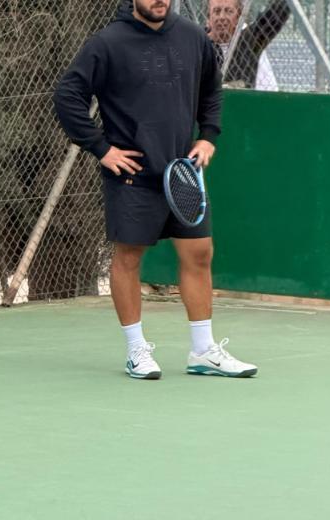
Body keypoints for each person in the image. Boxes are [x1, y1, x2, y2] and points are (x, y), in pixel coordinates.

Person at [54, 0, 258, 379]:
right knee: (128, 259)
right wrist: (102, 149)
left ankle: (203, 352)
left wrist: (208, 137)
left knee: (199, 254)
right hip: (132, 175)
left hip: (183, 174)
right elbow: (68, 96)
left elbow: (211, 91)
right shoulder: (108, 43)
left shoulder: (193, 37)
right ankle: (136, 352)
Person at [207, 0, 291, 91]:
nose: (222, 17)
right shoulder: (199, 43)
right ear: (209, 18)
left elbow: (276, 14)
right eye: (217, 11)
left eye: (228, 11)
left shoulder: (249, 40)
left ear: (238, 18)